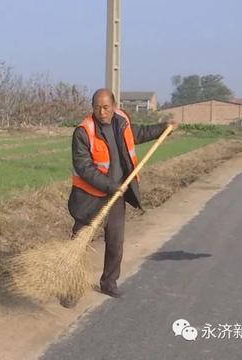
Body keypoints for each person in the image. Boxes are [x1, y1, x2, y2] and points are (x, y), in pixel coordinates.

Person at [67, 88, 175, 301]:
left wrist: (164, 128)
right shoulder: (83, 131)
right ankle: (71, 288)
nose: (102, 112)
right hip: (90, 198)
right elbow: (84, 167)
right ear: (92, 108)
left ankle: (109, 282)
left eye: (106, 107)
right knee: (78, 245)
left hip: (116, 198)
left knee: (115, 243)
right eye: (97, 107)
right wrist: (110, 186)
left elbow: (138, 134)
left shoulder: (122, 121)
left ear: (114, 106)